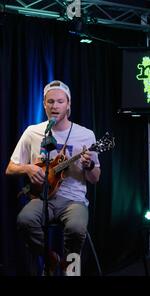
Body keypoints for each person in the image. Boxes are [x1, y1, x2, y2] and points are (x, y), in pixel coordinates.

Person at [5, 80, 101, 274]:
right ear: (44, 104)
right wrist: (28, 168)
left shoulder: (85, 135)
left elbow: (95, 178)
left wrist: (89, 165)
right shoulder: (33, 132)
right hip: (41, 198)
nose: (54, 106)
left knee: (76, 227)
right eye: (50, 102)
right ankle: (50, 258)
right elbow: (10, 168)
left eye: (59, 102)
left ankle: (69, 269)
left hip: (74, 199)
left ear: (68, 105)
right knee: (24, 220)